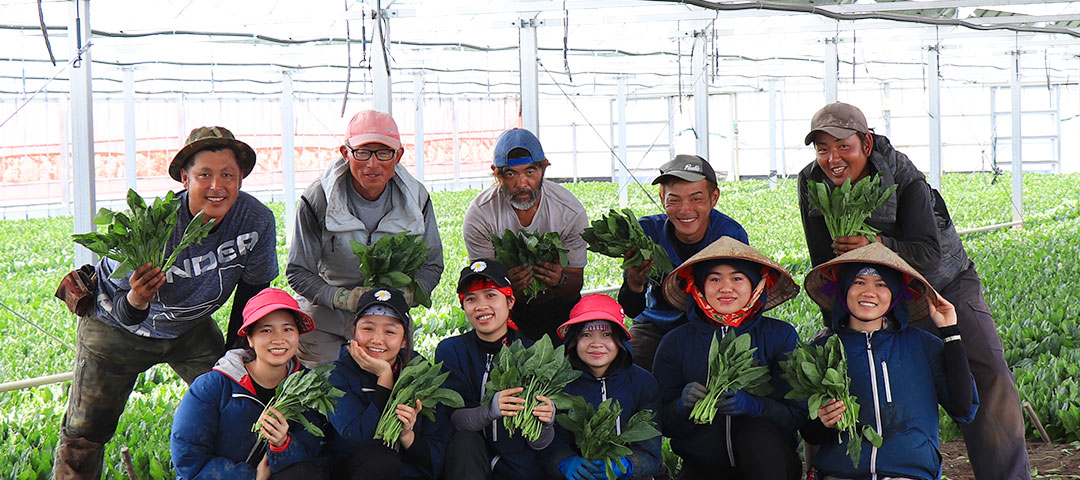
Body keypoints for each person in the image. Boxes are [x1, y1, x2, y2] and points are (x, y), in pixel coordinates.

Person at [798, 101, 1029, 479]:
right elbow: (822, 258)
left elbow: (927, 252)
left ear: (866, 144)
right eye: (822, 148)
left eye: (843, 146)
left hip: (943, 284)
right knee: (828, 379)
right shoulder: (812, 182)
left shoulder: (903, 175)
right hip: (875, 295)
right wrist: (837, 325)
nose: (833, 158)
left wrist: (876, 244)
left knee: (987, 375)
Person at [54, 126, 279, 479]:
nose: (217, 186)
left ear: (240, 179)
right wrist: (138, 298)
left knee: (240, 402)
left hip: (189, 328)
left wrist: (240, 351)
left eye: (228, 175)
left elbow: (253, 289)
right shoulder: (151, 226)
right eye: (205, 174)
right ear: (185, 179)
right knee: (85, 432)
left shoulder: (256, 219)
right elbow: (123, 311)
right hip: (116, 329)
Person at [800, 243, 979, 480]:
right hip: (841, 474)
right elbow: (808, 432)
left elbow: (963, 409)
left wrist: (951, 334)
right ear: (843, 289)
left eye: (882, 284)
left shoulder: (923, 345)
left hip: (910, 474)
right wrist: (823, 421)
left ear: (895, 293)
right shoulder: (822, 351)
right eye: (858, 282)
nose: (869, 292)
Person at [287, 110, 444, 366]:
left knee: (388, 391)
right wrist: (341, 298)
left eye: (384, 153)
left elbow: (432, 264)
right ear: (345, 153)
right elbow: (298, 272)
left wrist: (410, 294)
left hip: (387, 317)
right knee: (326, 391)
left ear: (399, 155)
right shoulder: (318, 199)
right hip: (327, 320)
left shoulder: (417, 199)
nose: (373, 164)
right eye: (362, 152)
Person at [653, 236, 805, 480]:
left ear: (755, 286)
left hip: (771, 466)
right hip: (702, 467)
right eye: (714, 279)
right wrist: (681, 406)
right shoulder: (675, 342)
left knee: (755, 430)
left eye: (737, 278)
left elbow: (798, 415)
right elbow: (663, 424)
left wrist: (755, 406)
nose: (725, 288)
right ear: (698, 287)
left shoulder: (779, 335)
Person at [170, 288, 326, 479]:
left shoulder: (307, 387)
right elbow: (188, 459)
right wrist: (251, 477)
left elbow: (312, 451)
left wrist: (283, 445)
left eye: (288, 329)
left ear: (298, 336)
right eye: (266, 330)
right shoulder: (212, 386)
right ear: (250, 338)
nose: (279, 339)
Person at [617, 154, 749, 371]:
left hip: (711, 325)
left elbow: (742, 303)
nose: (685, 209)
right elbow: (631, 309)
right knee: (631, 373)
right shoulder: (645, 234)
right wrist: (634, 284)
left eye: (696, 198)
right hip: (655, 326)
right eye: (674, 199)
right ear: (662, 197)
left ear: (713, 197)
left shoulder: (729, 236)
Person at [462, 128, 588, 342]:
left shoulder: (569, 211)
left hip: (560, 307)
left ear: (544, 169)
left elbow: (575, 283)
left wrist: (559, 279)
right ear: (496, 174)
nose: (522, 183)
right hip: (507, 310)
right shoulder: (481, 214)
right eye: (510, 174)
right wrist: (506, 285)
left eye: (530, 172)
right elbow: (482, 285)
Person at [435, 259, 556, 480]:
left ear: (510, 301)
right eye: (471, 299)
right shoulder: (452, 351)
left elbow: (540, 445)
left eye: (491, 295)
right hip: (470, 465)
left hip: (521, 470)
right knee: (465, 442)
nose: (481, 306)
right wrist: (489, 410)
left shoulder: (534, 352)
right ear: (464, 307)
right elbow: (453, 420)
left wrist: (546, 423)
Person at [323, 287, 452, 479]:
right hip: (356, 471)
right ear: (353, 332)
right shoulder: (336, 375)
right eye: (368, 328)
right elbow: (357, 437)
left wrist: (408, 436)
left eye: (390, 331)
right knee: (382, 460)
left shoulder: (421, 373)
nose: (377, 339)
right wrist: (385, 378)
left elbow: (438, 448)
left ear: (404, 340)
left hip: (408, 472)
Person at [545, 294, 662, 480]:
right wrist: (563, 462)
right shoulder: (557, 385)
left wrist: (629, 465)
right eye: (586, 334)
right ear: (573, 341)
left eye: (607, 334)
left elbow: (652, 454)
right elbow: (549, 446)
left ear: (620, 340)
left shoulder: (643, 383)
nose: (596, 343)